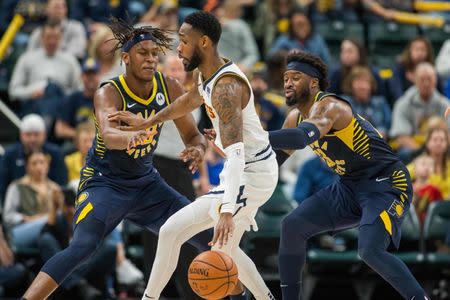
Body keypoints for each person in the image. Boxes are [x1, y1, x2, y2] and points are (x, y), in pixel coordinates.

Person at [21, 18, 211, 300]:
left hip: (147, 184)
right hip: (104, 184)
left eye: (154, 54)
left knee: (208, 238)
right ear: (125, 58)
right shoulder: (108, 91)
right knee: (82, 247)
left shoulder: (169, 87)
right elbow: (109, 134)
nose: (150, 59)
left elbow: (194, 136)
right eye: (142, 53)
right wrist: (133, 135)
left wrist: (198, 149)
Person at [108, 11, 278, 300]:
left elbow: (237, 154)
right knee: (174, 232)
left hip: (251, 174)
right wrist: (146, 122)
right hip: (246, 170)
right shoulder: (209, 77)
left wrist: (227, 210)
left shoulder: (226, 87)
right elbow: (186, 101)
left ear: (204, 42)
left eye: (184, 41)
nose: (179, 48)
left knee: (217, 256)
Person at [267, 50, 427, 299]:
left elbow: (300, 138)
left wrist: (252, 137)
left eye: (295, 77)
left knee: (370, 250)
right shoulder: (294, 117)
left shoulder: (331, 106)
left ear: (313, 82)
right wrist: (239, 160)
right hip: (349, 186)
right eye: (286, 77)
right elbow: (272, 162)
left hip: (386, 182)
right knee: (292, 226)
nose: (287, 82)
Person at [3, 149, 62, 249]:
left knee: (46, 240)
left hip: (48, 232)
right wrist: (27, 219)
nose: (39, 167)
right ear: (27, 167)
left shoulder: (55, 188)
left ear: (47, 165)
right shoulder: (17, 186)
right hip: (23, 230)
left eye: (42, 162)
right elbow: (8, 216)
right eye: (34, 163)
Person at [0, 114, 67, 201]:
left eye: (36, 134)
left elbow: (62, 183)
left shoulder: (55, 153)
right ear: (21, 135)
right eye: (28, 134)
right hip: (19, 203)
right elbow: (3, 186)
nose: (32, 139)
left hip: (50, 202)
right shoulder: (9, 154)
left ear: (44, 134)